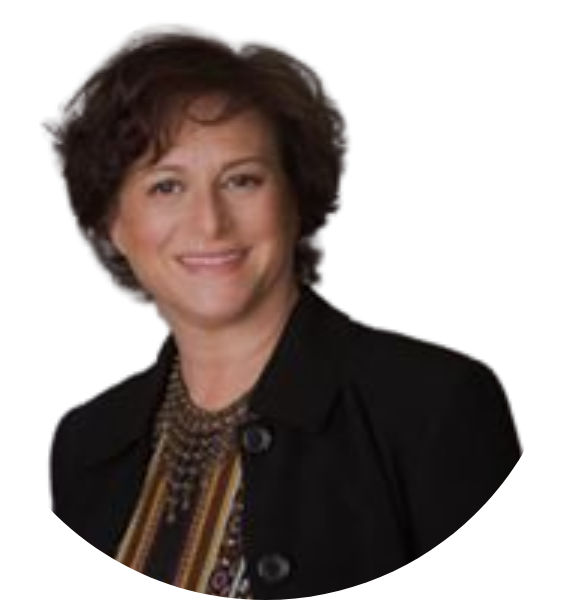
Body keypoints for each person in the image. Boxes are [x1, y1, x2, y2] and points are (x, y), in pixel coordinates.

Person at [45, 25, 523, 598]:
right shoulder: (84, 442)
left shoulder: (432, 404)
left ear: (294, 200)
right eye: (167, 186)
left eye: (242, 180)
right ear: (113, 227)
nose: (210, 223)